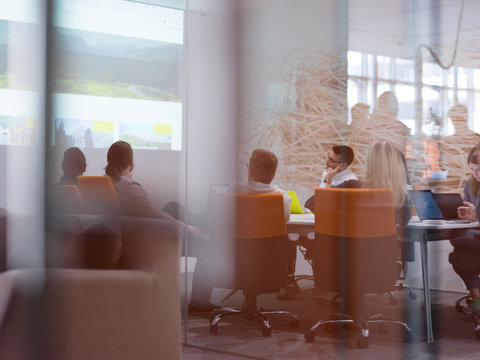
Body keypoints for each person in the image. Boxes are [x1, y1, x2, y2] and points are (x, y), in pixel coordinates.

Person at [104, 140, 217, 314]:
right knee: (205, 243)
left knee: (173, 207)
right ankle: (199, 302)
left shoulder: (105, 183)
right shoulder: (128, 186)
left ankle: (201, 223)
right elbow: (155, 215)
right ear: (131, 162)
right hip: (148, 238)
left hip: (131, 232)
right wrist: (187, 227)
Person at [450, 144, 480, 312]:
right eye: (473, 170)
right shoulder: (471, 183)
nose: (476, 174)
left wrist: (475, 215)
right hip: (475, 233)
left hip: (475, 235)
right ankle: (477, 295)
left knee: (459, 240)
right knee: (457, 257)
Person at [363, 140, 412, 227]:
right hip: (390, 240)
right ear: (395, 164)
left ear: (371, 163)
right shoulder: (401, 198)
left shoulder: (357, 191)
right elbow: (405, 222)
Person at [304, 145, 360, 212]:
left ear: (343, 165)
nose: (326, 161)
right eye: (328, 157)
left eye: (331, 160)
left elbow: (331, 207)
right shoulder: (328, 173)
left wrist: (327, 181)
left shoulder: (350, 182)